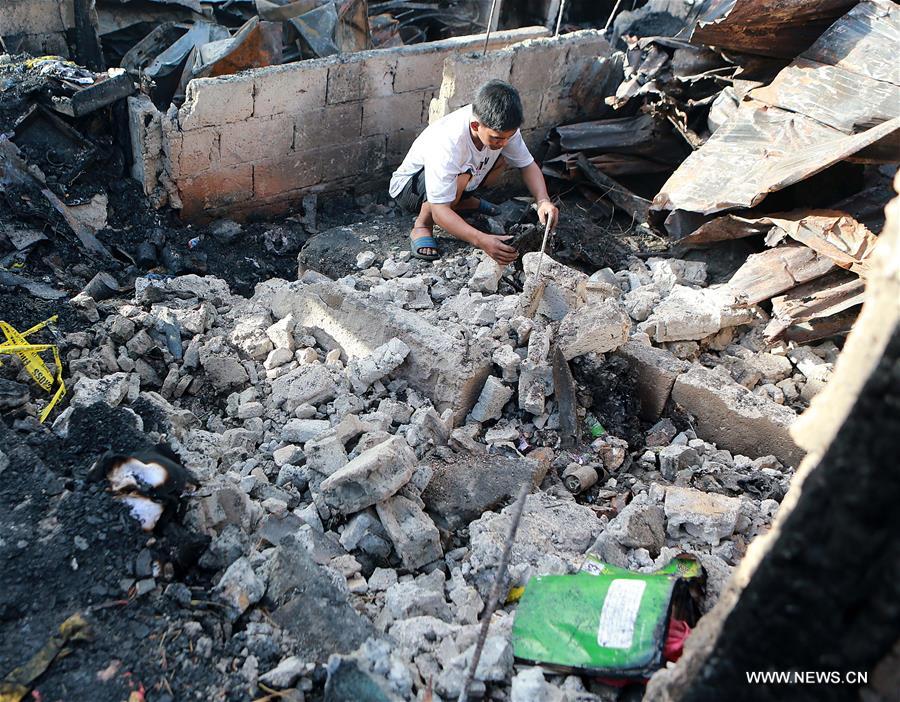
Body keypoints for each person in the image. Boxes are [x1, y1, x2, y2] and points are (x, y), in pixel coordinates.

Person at [389, 79, 559, 264]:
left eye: (508, 137)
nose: (503, 142)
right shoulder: (449, 142)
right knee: (462, 176)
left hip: (463, 179)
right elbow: (439, 210)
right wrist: (481, 240)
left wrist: (543, 201)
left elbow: (527, 165)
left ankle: (464, 202)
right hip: (410, 189)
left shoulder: (502, 129)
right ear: (475, 126)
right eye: (497, 138)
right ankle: (422, 225)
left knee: (501, 159)